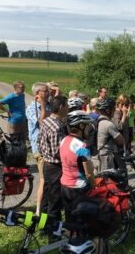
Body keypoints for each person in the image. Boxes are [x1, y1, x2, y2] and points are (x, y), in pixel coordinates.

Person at [60, 110, 95, 245]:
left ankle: (70, 243)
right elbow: (88, 173)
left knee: (70, 219)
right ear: (81, 126)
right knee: (82, 222)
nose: (88, 128)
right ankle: (81, 245)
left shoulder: (64, 141)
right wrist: (93, 185)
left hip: (65, 186)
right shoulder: (82, 147)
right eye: (87, 125)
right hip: (79, 189)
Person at [37, 95, 68, 223]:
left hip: (47, 164)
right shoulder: (57, 127)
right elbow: (58, 152)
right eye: (67, 106)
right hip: (55, 167)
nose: (68, 108)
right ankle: (53, 233)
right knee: (55, 201)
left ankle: (43, 226)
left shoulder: (46, 121)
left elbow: (39, 142)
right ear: (61, 107)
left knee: (45, 198)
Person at [26, 82, 51, 216]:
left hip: (49, 146)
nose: (48, 93)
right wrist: (42, 105)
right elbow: (41, 122)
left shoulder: (48, 105)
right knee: (43, 179)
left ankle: (48, 206)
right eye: (45, 91)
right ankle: (38, 210)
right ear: (37, 94)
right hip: (40, 148)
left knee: (49, 177)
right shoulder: (31, 108)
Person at [96, 98, 124, 171]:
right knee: (108, 180)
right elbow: (121, 141)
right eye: (113, 109)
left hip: (97, 156)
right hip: (106, 157)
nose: (114, 111)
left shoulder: (97, 121)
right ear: (108, 110)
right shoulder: (108, 124)